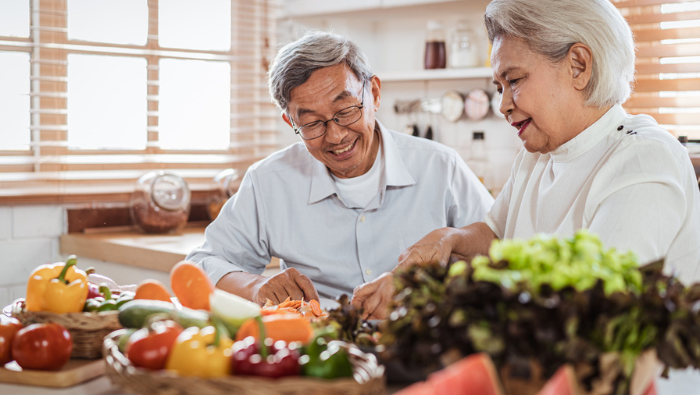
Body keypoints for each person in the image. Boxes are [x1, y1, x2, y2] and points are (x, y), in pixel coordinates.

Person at [355, 0, 700, 318]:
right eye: (498, 87)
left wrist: (443, 294)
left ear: (578, 66)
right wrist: (450, 239)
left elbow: (595, 306)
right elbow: (497, 238)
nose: (503, 104)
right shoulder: (537, 156)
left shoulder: (643, 158)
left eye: (514, 80)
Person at [186, 31, 493, 310]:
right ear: (290, 123)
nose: (335, 136)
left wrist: (445, 248)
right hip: (317, 354)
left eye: (345, 111)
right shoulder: (269, 181)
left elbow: (501, 247)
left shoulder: (440, 166)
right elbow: (201, 264)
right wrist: (255, 286)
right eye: (311, 123)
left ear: (373, 93)